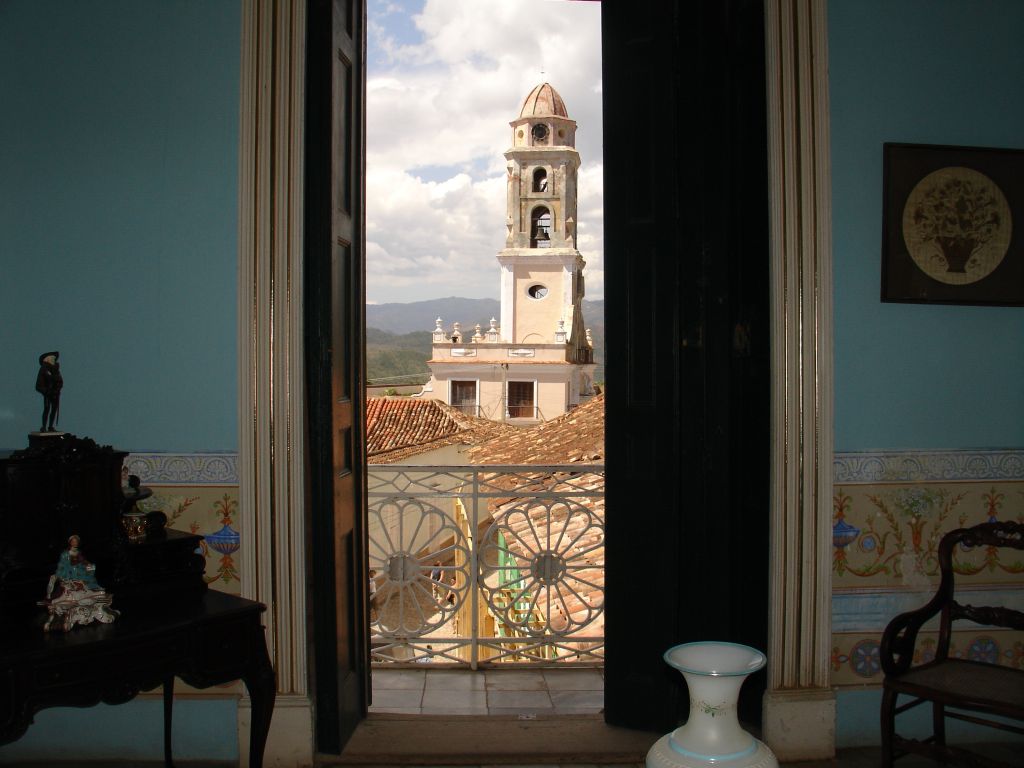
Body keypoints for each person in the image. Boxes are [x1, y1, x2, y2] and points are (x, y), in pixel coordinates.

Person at [42, 535, 118, 631]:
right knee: (72, 591)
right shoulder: (65, 554)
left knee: (89, 582)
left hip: (79, 577)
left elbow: (84, 562)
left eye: (76, 541)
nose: (75, 543)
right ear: (70, 542)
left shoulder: (78, 553)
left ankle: (92, 597)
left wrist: (88, 565)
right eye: (73, 541)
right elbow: (62, 567)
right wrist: (63, 575)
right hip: (70, 577)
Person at [35, 351, 63, 432]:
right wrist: (46, 391)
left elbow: (60, 381)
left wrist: (57, 389)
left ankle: (50, 426)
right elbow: (38, 385)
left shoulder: (56, 370)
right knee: (47, 409)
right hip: (48, 393)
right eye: (52, 358)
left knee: (54, 409)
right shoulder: (43, 369)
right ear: (47, 359)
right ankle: (44, 426)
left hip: (55, 393)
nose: (54, 359)